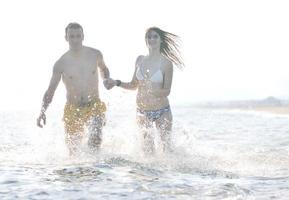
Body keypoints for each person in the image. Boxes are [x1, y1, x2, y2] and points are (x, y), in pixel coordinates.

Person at [37, 23, 114, 155]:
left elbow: (104, 69)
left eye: (78, 36)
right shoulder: (61, 63)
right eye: (71, 36)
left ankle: (95, 173)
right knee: (74, 152)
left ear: (83, 36)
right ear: (66, 38)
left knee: (95, 141)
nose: (75, 40)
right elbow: (51, 90)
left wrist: (106, 79)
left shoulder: (95, 54)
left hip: (94, 105)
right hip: (73, 109)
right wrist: (42, 111)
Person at [107, 27, 184, 154]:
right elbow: (133, 85)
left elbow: (167, 91)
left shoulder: (166, 63)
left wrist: (153, 91)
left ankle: (168, 174)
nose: (151, 39)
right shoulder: (140, 60)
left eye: (155, 36)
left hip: (162, 111)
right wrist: (117, 83)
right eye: (149, 37)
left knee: (167, 151)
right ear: (145, 40)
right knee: (148, 153)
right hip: (142, 112)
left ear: (161, 40)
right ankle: (150, 175)